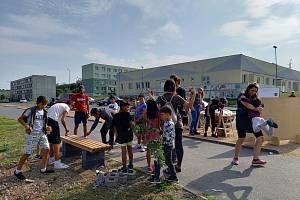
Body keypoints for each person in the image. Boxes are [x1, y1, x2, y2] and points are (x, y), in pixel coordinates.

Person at [155, 79, 196, 173]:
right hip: (177, 124)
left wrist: (159, 127)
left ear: (164, 87)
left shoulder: (160, 98)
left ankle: (169, 167)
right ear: (174, 87)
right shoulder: (176, 97)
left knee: (166, 146)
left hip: (166, 126)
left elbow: (157, 114)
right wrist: (193, 95)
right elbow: (189, 105)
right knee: (178, 145)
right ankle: (178, 166)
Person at [14, 96, 54, 180]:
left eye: (46, 104)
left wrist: (47, 127)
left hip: (42, 134)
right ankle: (17, 171)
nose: (45, 106)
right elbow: (20, 119)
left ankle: (43, 169)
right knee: (27, 153)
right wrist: (26, 126)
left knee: (47, 149)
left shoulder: (44, 112)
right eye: (44, 104)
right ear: (39, 103)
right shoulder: (30, 110)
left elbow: (43, 124)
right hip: (32, 134)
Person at [232, 83, 270, 166]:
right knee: (241, 138)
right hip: (242, 119)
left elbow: (261, 106)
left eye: (255, 91)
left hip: (252, 120)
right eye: (252, 90)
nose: (253, 92)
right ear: (248, 89)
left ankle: (255, 159)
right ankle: (235, 158)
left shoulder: (255, 98)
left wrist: (260, 108)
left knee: (260, 138)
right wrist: (257, 109)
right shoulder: (242, 95)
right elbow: (248, 105)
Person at [47, 100, 73, 169]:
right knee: (57, 142)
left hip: (47, 120)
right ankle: (57, 163)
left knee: (51, 141)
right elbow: (62, 119)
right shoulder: (67, 107)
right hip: (53, 121)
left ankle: (51, 159)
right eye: (72, 107)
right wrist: (66, 129)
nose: (71, 109)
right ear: (70, 105)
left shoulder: (60, 104)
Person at [112, 100, 134, 173]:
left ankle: (124, 167)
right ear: (122, 107)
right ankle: (130, 164)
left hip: (121, 135)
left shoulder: (116, 115)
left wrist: (116, 136)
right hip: (129, 134)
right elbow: (131, 124)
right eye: (126, 106)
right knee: (130, 149)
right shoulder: (127, 114)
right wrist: (135, 132)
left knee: (124, 151)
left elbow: (114, 127)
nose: (128, 108)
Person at [160, 106, 178, 182]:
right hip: (167, 144)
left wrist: (162, 140)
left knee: (168, 160)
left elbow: (169, 136)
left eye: (162, 114)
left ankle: (174, 176)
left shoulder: (169, 123)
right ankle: (172, 173)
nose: (161, 116)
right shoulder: (166, 123)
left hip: (168, 145)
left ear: (167, 114)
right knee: (168, 160)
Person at [144, 94, 160, 174]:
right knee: (156, 150)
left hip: (149, 132)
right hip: (156, 132)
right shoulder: (158, 111)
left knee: (148, 151)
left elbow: (144, 118)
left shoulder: (147, 111)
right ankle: (155, 166)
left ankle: (149, 166)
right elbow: (160, 123)